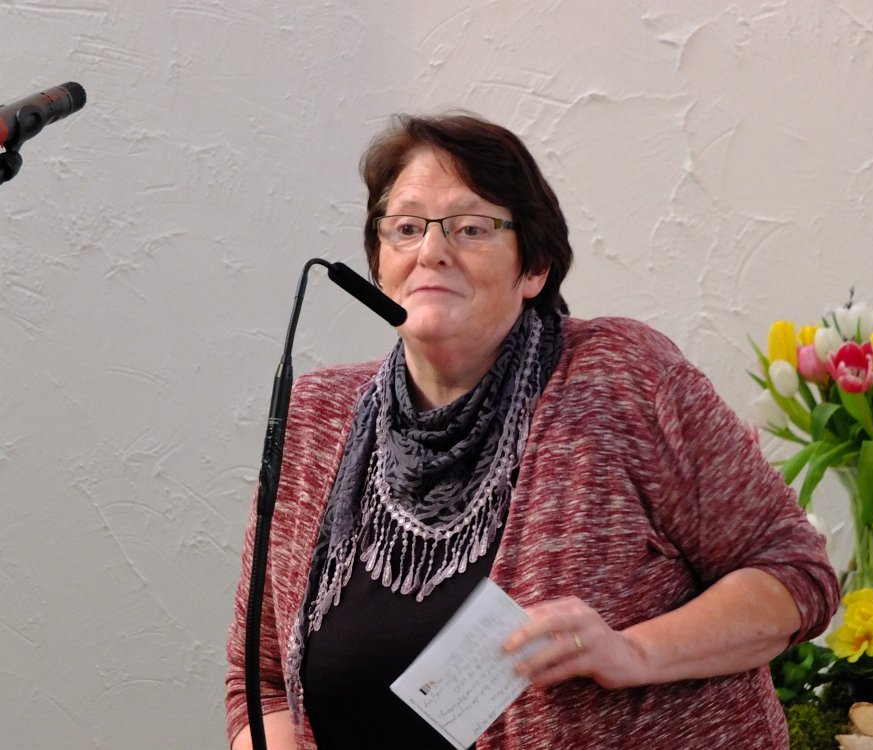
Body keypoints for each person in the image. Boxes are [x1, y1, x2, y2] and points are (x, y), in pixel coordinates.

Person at [225, 113, 840, 750]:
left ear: (535, 267)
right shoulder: (315, 417)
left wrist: (634, 652)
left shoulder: (623, 379)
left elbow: (795, 575)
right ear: (379, 267)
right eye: (406, 228)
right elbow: (260, 683)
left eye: (471, 227)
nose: (431, 251)